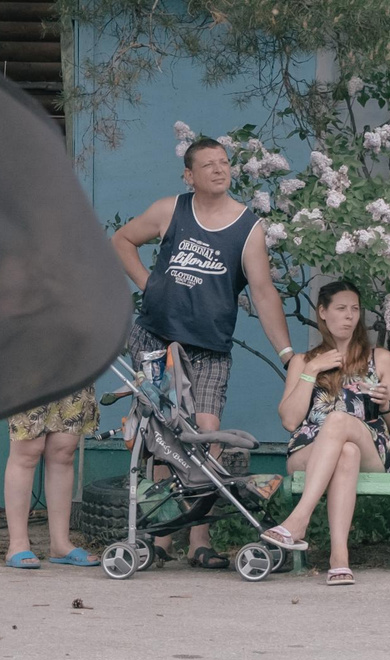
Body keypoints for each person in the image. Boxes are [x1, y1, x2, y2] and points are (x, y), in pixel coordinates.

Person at [111, 135, 298, 568]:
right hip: (156, 339)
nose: (220, 169)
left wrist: (288, 352)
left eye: (224, 162)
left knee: (206, 434)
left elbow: (264, 292)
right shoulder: (170, 210)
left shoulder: (247, 226)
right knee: (163, 436)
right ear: (189, 175)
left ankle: (200, 541)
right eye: (209, 164)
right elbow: (121, 240)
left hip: (209, 349)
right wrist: (148, 286)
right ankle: (159, 542)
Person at [261, 279, 390, 585]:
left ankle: (299, 520)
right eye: (341, 309)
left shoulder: (380, 359)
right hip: (309, 450)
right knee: (345, 452)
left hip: (373, 448)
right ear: (323, 313)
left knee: (340, 423)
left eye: (355, 309)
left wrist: (387, 404)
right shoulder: (303, 361)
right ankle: (339, 558)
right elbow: (289, 421)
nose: (349, 316)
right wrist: (311, 371)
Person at [1, 391, 98, 569]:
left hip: (71, 368)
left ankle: (60, 544)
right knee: (27, 450)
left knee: (63, 451)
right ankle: (18, 544)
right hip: (30, 370)